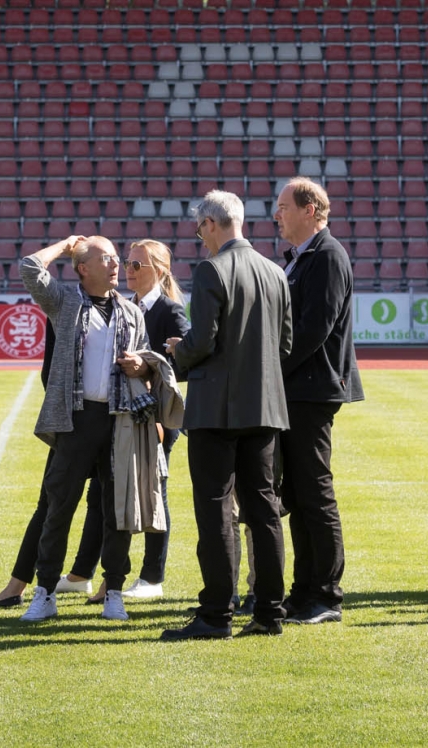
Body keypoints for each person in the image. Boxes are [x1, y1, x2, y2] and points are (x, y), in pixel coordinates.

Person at [160, 190, 293, 641]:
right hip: (265, 407)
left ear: (212, 224)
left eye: (200, 229)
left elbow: (203, 341)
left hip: (216, 410)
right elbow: (285, 345)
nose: (201, 238)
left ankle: (216, 613)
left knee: (215, 509)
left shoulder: (212, 270)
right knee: (264, 509)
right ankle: (270, 612)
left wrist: (178, 353)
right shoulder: (275, 272)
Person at [16, 235, 153, 624]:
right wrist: (65, 245)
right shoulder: (64, 302)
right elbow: (30, 268)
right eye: (106, 258)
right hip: (75, 420)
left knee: (117, 509)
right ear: (83, 268)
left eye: (116, 258)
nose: (116, 264)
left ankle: (114, 591)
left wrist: (142, 365)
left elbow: (145, 360)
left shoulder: (132, 312)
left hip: (119, 419)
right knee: (59, 507)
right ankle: (45, 592)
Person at [273, 176, 362, 625]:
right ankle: (304, 591)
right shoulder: (304, 257)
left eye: (284, 207)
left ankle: (326, 595)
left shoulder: (327, 255)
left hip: (311, 389)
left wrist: (272, 368)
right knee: (299, 493)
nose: (277, 215)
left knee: (314, 492)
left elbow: (313, 330)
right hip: (300, 388)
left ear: (310, 210)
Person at [123, 238, 190, 597]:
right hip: (128, 413)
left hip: (158, 417)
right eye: (128, 263)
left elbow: (186, 363)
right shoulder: (126, 305)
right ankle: (96, 573)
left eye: (137, 265)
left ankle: (153, 578)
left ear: (160, 271)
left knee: (154, 493)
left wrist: (148, 367)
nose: (128, 270)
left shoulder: (170, 311)